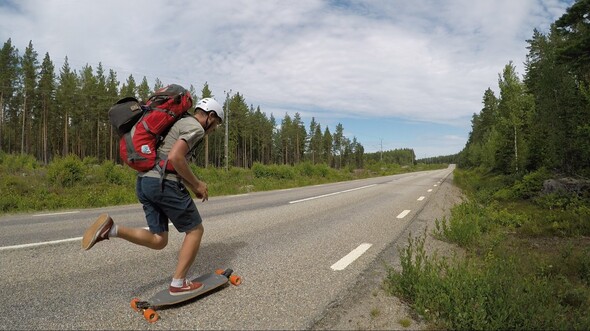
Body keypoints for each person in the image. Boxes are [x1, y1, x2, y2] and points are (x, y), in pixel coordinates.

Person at [82, 96, 224, 296]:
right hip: (164, 183)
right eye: (216, 123)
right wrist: (198, 184)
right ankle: (179, 283)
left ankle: (111, 229)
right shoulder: (196, 128)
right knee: (195, 231)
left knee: (159, 240)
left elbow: (168, 158)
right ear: (210, 116)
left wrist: (192, 185)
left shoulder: (179, 121)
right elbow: (175, 157)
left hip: (145, 182)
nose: (214, 129)